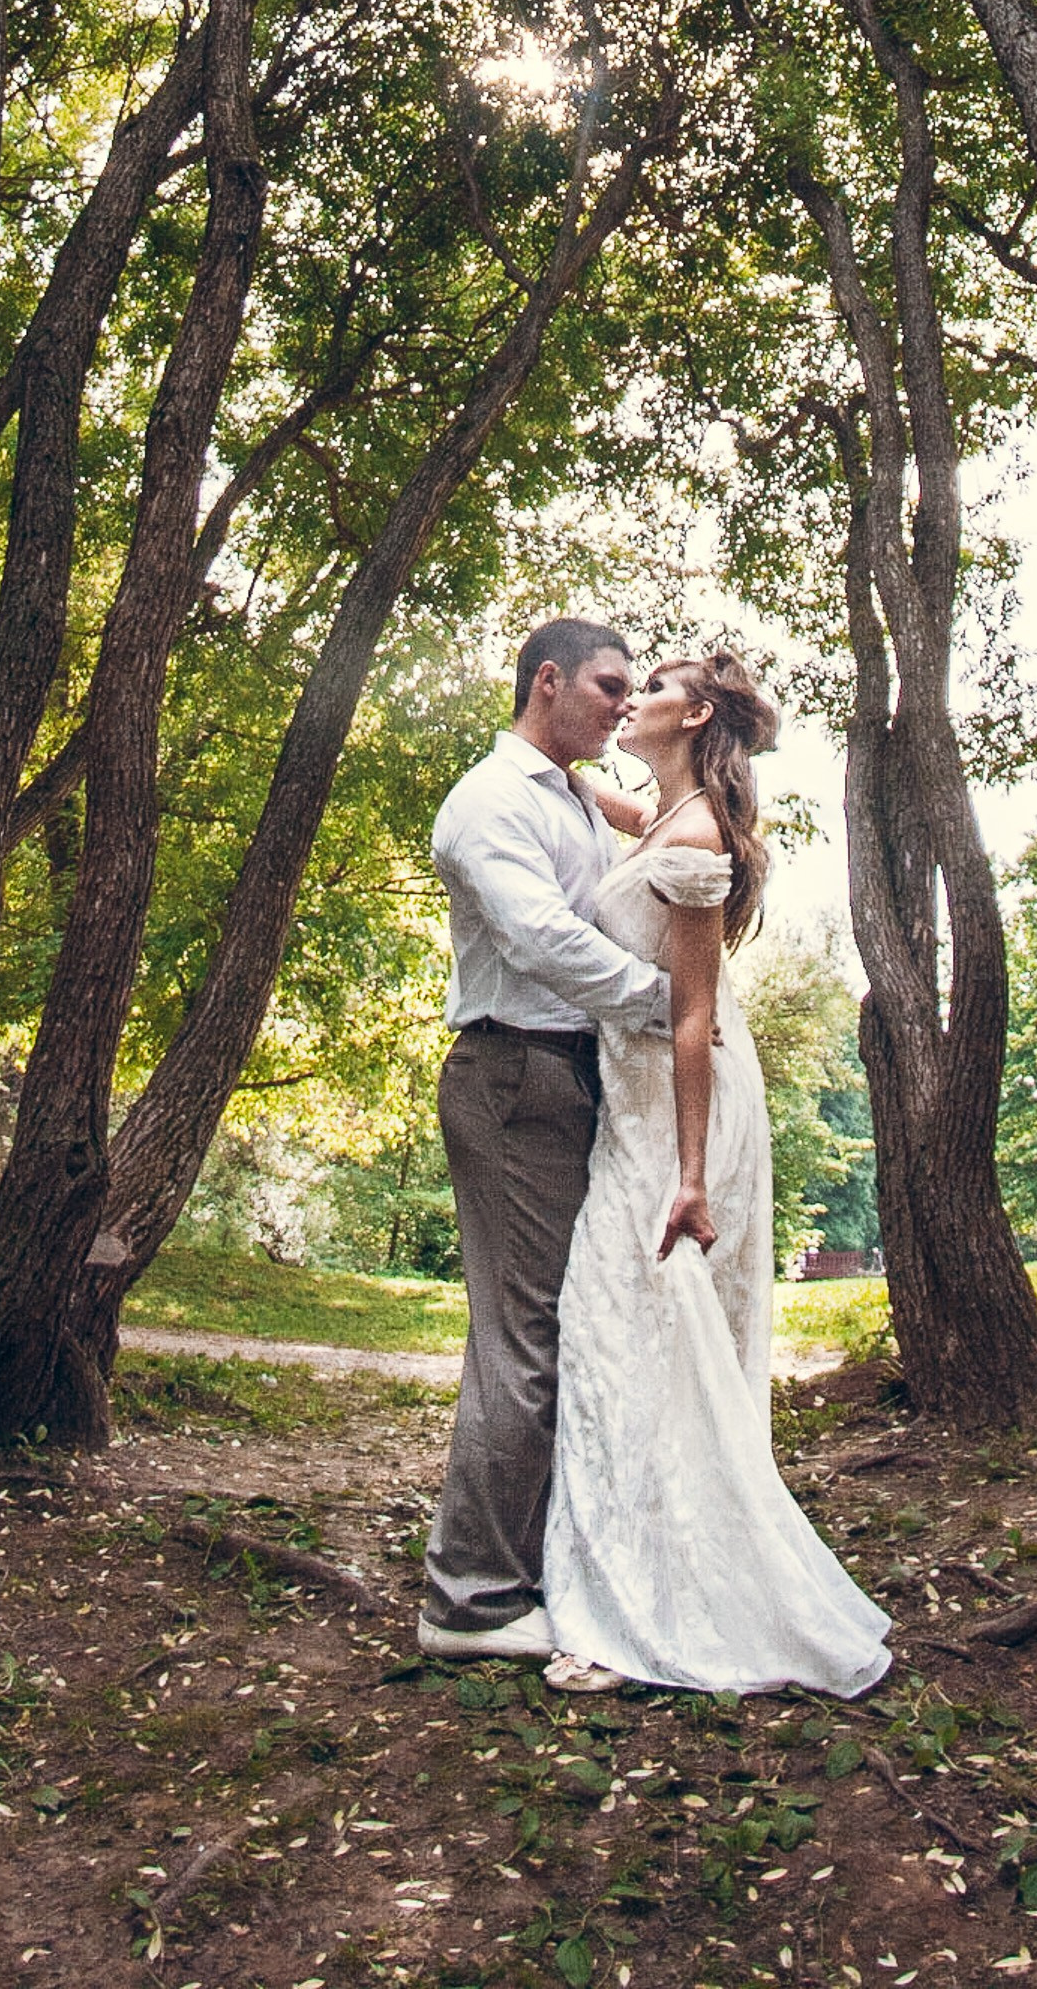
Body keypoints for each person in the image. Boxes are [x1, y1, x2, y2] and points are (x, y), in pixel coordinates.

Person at [539, 649, 891, 1698]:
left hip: (680, 1117)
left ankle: (640, 1608)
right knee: (621, 1333)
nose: (630, 696)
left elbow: (691, 1015)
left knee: (635, 1332)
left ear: (691, 713)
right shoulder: (659, 817)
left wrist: (690, 1174)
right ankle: (625, 1574)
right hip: (637, 1109)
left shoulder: (692, 839)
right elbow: (596, 795)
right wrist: (544, 752)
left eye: (649, 684)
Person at [419, 614, 669, 1660]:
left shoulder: (568, 787)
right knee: (522, 1342)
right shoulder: (487, 802)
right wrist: (668, 1000)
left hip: (567, 1075)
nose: (622, 701)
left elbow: (662, 818)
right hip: (513, 1073)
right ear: (548, 680)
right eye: (610, 685)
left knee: (564, 1326)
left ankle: (535, 1565)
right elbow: (541, 937)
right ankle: (469, 1603)